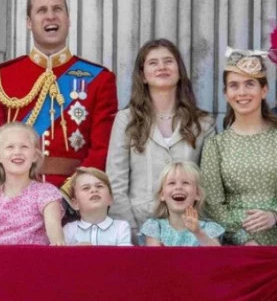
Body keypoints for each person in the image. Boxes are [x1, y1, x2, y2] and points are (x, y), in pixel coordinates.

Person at [0, 0, 118, 190]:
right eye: (41, 10)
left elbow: (101, 149)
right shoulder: (0, 78)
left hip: (75, 197)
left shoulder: (99, 79)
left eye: (57, 9)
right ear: (29, 22)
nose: (50, 16)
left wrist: (70, 193)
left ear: (68, 19)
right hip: (16, 193)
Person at [106, 39, 215, 242]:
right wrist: (130, 232)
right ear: (143, 75)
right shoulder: (126, 120)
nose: (162, 67)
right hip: (138, 227)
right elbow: (115, 181)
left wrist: (198, 231)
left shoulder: (203, 123)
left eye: (168, 61)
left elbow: (209, 182)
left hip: (188, 232)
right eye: (153, 63)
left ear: (179, 71)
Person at [200, 48, 277, 245]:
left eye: (250, 84)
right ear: (226, 94)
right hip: (237, 248)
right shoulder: (216, 146)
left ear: (264, 90)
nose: (242, 92)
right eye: (234, 85)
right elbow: (213, 205)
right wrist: (244, 238)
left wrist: (274, 216)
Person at [0, 123, 65, 245]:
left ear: (35, 155)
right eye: (10, 147)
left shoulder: (47, 193)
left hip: (37, 256)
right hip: (1, 256)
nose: (17, 152)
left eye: (24, 147)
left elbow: (56, 240)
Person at [141, 161, 222, 246]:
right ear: (162, 195)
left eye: (185, 183)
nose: (178, 187)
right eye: (172, 183)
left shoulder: (208, 228)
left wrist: (198, 232)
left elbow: (217, 253)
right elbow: (153, 254)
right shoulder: (155, 227)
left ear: (197, 194)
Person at [63, 167, 131, 246]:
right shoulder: (69, 230)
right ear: (75, 203)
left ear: (110, 198)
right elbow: (58, 253)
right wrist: (74, 250)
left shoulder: (121, 227)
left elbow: (125, 253)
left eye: (99, 186)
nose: (94, 190)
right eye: (86, 188)